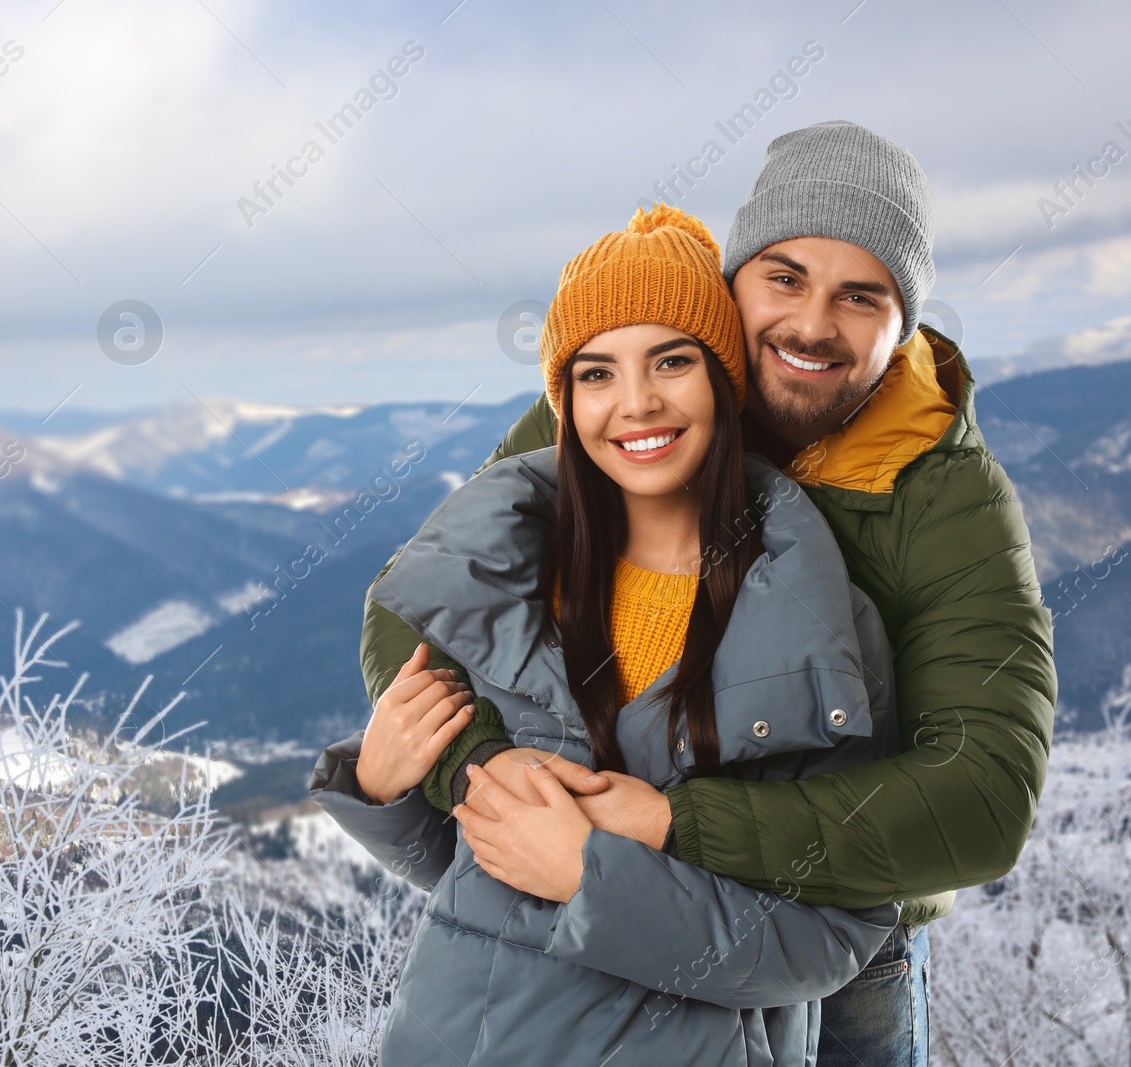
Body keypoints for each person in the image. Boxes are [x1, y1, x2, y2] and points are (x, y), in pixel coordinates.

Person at [356, 120, 1057, 1066]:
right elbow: (426, 598)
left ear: (906, 324)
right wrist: (481, 769)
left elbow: (982, 798)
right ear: (734, 283)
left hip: (829, 938)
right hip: (564, 911)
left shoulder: (944, 495)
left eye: (861, 295)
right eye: (785, 277)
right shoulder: (630, 394)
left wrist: (668, 824)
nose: (812, 324)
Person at [312, 203, 902, 1065]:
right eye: (596, 373)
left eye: (671, 361)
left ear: (723, 380)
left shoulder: (817, 621)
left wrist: (593, 876)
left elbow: (831, 937)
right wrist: (388, 788)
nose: (636, 403)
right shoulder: (521, 582)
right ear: (565, 399)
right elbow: (482, 866)